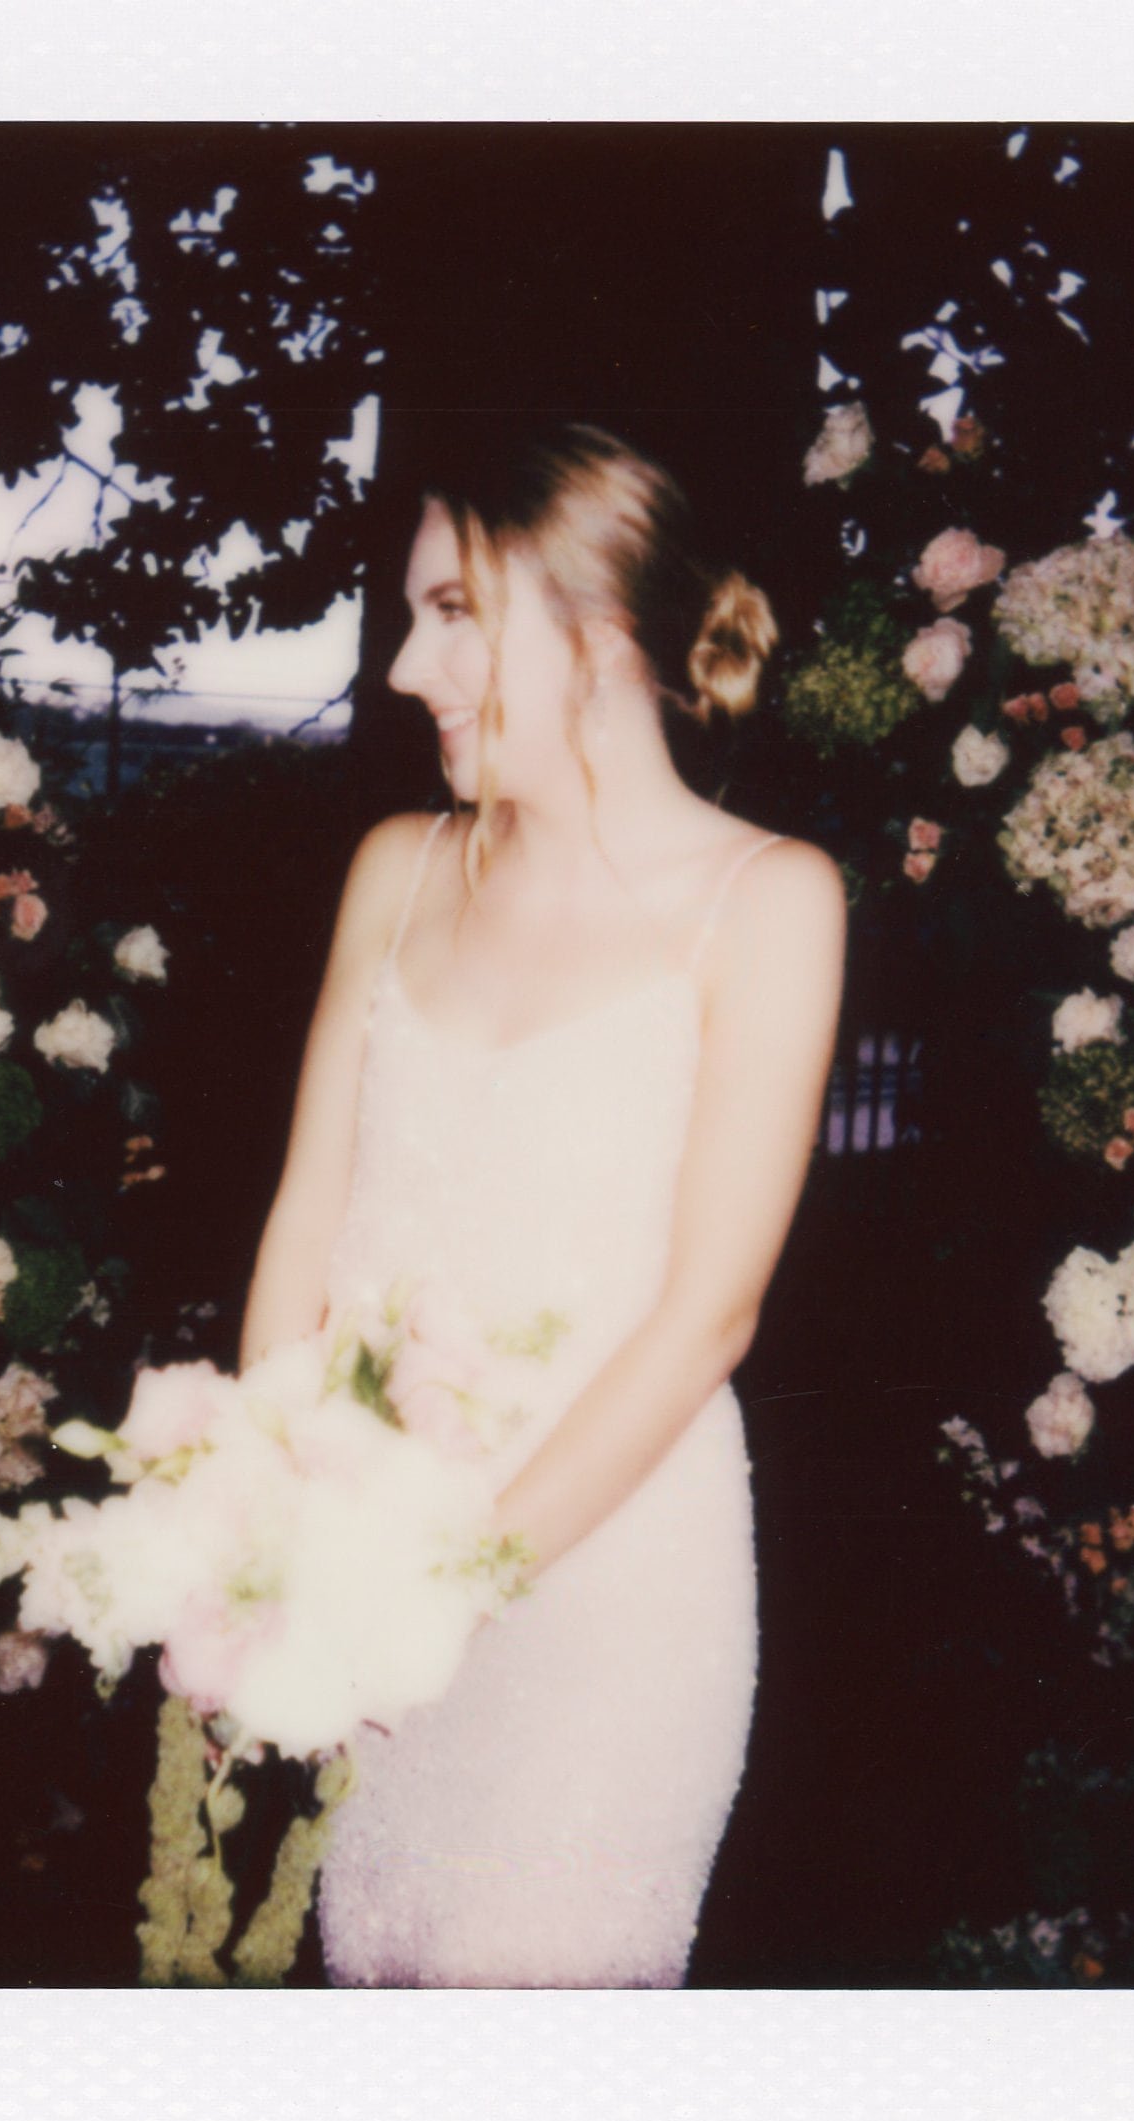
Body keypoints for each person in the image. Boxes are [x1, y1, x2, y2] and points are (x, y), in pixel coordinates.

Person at [239, 421, 848, 1986]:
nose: (398, 667)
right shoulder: (396, 867)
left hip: (603, 1593)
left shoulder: (769, 899)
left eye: (449, 613)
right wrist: (261, 1527)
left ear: (595, 628)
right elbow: (307, 1218)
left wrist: (443, 1601)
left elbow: (709, 1312)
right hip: (374, 1564)